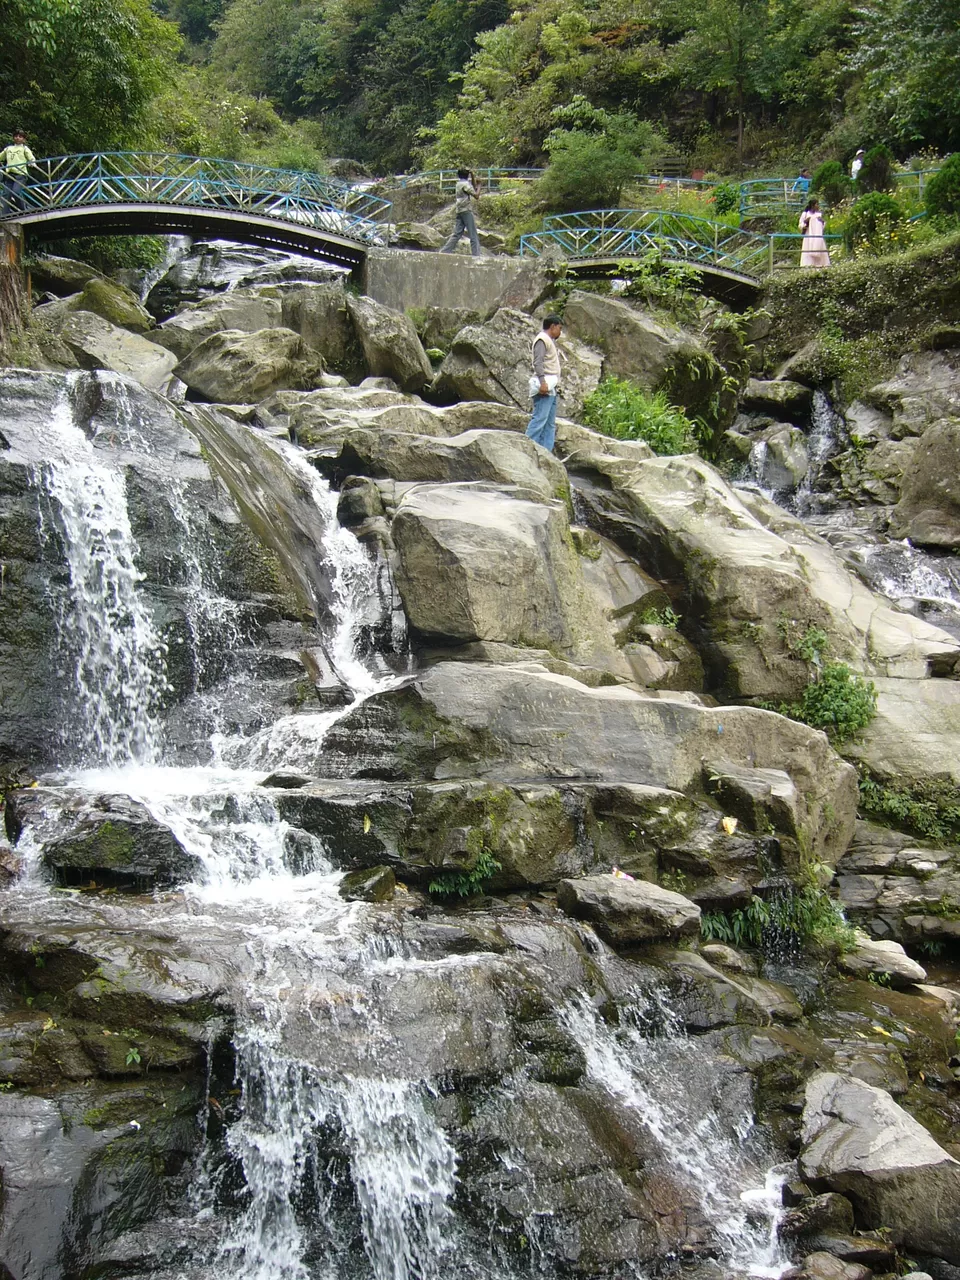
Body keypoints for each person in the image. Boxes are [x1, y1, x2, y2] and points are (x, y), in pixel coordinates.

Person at [525, 315, 563, 452]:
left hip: (551, 387)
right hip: (545, 385)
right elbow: (538, 362)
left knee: (549, 424)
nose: (560, 332)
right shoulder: (542, 340)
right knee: (540, 419)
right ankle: (526, 448)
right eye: (559, 328)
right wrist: (542, 382)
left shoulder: (549, 341)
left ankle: (545, 452)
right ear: (552, 326)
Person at [440, 168, 481, 257]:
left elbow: (473, 188)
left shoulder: (459, 184)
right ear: (467, 176)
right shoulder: (465, 184)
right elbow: (476, 195)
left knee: (457, 234)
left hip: (459, 211)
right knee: (473, 235)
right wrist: (479, 185)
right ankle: (476, 256)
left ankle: (444, 251)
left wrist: (472, 176)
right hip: (466, 211)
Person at [0, 129, 36, 214]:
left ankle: (25, 210)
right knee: (6, 195)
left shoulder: (24, 148)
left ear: (23, 139)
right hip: (9, 175)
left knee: (16, 192)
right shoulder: (8, 149)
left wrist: (32, 163)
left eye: (20, 136)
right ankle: (5, 214)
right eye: (16, 136)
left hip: (20, 174)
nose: (17, 138)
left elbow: (31, 158)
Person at [798, 198, 830, 268]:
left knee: (820, 252)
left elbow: (823, 226)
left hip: (818, 237)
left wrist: (822, 221)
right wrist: (806, 222)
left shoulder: (819, 214)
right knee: (808, 253)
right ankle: (807, 267)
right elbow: (800, 225)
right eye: (817, 204)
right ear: (812, 205)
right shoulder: (805, 214)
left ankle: (820, 267)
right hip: (809, 237)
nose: (818, 206)